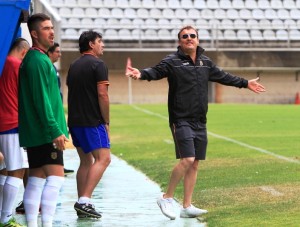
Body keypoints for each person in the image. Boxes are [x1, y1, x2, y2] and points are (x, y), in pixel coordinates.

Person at [126, 25, 266, 220]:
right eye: (185, 36)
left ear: (198, 40)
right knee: (187, 159)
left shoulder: (205, 62)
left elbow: (224, 76)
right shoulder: (172, 61)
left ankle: (186, 206)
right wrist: (141, 73)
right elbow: (156, 71)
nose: (189, 38)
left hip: (200, 120)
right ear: (179, 41)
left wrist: (245, 83)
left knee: (195, 164)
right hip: (180, 119)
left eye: (192, 36)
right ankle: (166, 197)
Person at [18, 13, 69, 227]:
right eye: (46, 28)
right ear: (34, 33)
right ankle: (46, 224)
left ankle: (33, 223)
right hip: (44, 132)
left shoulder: (34, 59)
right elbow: (42, 101)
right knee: (55, 179)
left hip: (36, 132)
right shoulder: (38, 61)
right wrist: (55, 129)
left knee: (36, 179)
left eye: (52, 27)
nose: (51, 31)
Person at [67, 30, 111, 219]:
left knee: (86, 161)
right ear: (91, 44)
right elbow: (103, 94)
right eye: (100, 41)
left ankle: (82, 203)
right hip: (92, 121)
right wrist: (106, 121)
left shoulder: (73, 65)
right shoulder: (98, 64)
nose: (103, 45)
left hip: (75, 121)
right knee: (104, 158)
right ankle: (85, 200)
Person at [0, 38, 30, 227]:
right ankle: (5, 218)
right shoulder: (18, 66)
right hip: (13, 123)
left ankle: (3, 214)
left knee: (3, 171)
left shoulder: (3, 63)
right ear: (24, 52)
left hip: (2, 122)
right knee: (17, 170)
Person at [47, 42, 74, 176]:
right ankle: (56, 164)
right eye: (57, 51)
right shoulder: (47, 67)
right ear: (50, 53)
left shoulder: (53, 68)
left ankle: (60, 163)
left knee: (61, 135)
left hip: (57, 106)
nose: (60, 54)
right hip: (52, 109)